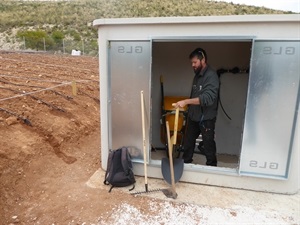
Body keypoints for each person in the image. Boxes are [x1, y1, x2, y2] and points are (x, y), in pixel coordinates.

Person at [174, 48, 219, 166]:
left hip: (206, 118)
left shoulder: (211, 76)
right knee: (188, 142)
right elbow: (195, 94)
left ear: (203, 60)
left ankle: (212, 167)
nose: (193, 65)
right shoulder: (197, 76)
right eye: (192, 63)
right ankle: (185, 163)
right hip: (194, 116)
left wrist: (186, 101)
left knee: (208, 144)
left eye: (195, 62)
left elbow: (207, 98)